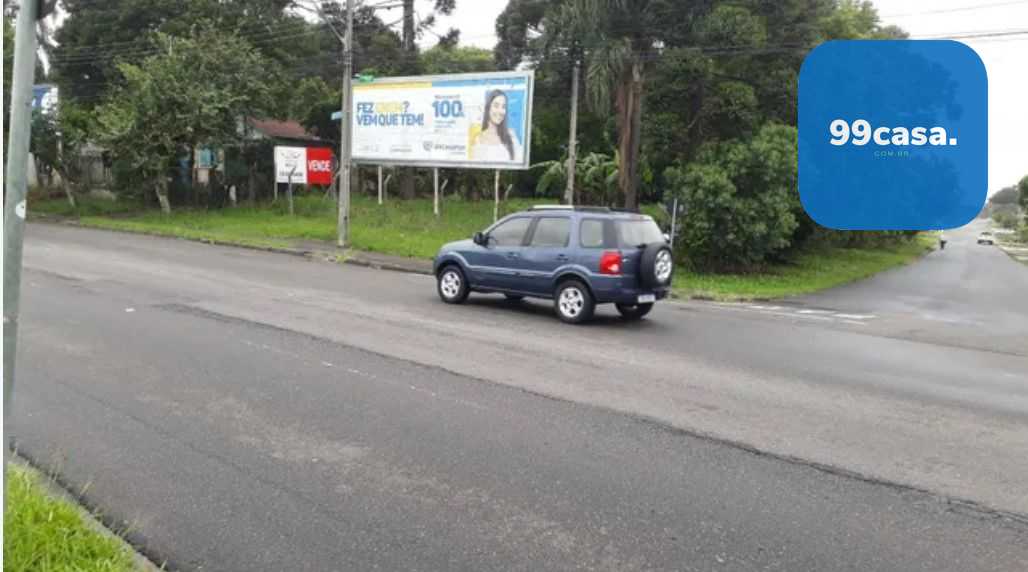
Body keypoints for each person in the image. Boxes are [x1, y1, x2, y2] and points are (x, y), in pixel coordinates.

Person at [469, 89, 523, 162]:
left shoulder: (511, 135)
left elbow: (519, 160)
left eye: (503, 107)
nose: (500, 111)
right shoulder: (478, 139)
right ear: (488, 108)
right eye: (496, 106)